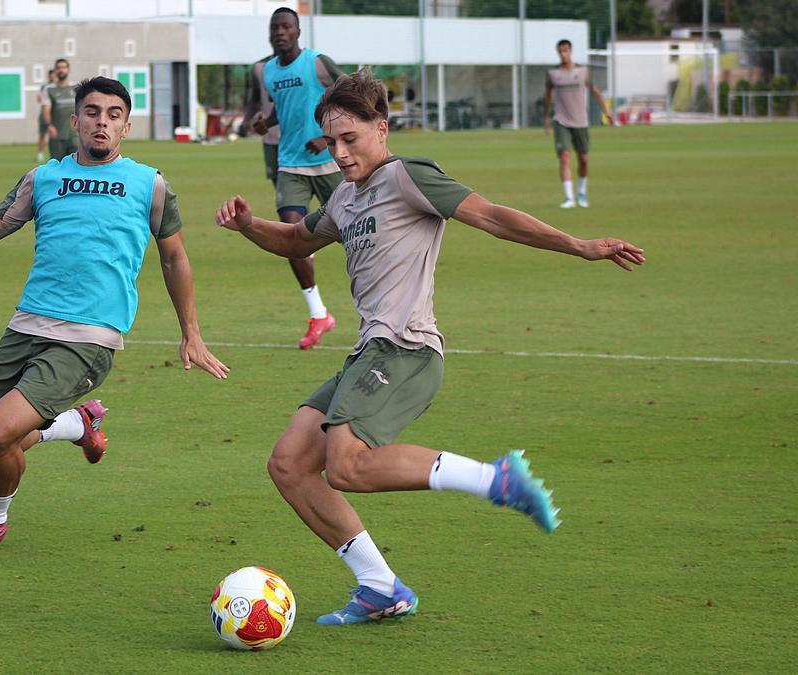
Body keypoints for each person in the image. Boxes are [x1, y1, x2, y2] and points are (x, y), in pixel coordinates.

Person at [216, 70, 644, 625]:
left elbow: (492, 216)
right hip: (369, 352)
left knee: (346, 467)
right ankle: (379, 586)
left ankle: (497, 480)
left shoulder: (406, 177)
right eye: (331, 142)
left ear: (381, 129)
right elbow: (297, 240)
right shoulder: (346, 197)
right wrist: (248, 225)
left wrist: (579, 244)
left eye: (351, 139)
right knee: (289, 464)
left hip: (406, 349)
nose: (340, 154)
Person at [0, 77, 229, 556]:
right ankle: (77, 424)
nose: (103, 121)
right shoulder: (43, 179)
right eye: (93, 112)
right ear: (74, 121)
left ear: (126, 127)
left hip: (89, 338)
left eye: (114, 114)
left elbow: (174, 258)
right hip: (27, 326)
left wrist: (191, 334)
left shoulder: (150, 185)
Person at [254, 7, 346, 350]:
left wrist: (328, 137)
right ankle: (319, 314)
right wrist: (268, 122)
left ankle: (379, 309)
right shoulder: (270, 72)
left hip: (331, 163)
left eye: (286, 26)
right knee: (291, 237)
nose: (279, 32)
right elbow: (284, 104)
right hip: (291, 164)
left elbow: (349, 96)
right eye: (274, 27)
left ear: (297, 31)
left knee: (356, 235)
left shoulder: (318, 63)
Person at [544, 39, 614, 209]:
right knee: (565, 157)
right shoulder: (553, 74)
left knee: (583, 159)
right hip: (561, 120)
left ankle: (581, 193)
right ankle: (569, 197)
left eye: (566, 50)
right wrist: (546, 117)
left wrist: (606, 111)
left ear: (571, 51)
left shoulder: (583, 71)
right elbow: (548, 96)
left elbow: (595, 91)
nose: (563, 53)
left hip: (581, 121)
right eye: (560, 51)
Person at [239, 52, 281, 187]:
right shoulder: (260, 67)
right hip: (271, 137)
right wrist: (246, 121)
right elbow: (255, 99)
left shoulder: (307, 64)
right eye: (275, 29)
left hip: (300, 137)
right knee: (281, 189)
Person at [42, 58, 79, 161]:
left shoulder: (76, 88)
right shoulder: (49, 89)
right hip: (57, 136)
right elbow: (46, 110)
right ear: (55, 70)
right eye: (58, 68)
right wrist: (49, 126)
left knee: (76, 164)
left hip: (74, 135)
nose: (61, 70)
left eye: (64, 67)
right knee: (57, 166)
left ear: (68, 69)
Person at [35, 79, 51, 163]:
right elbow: (38, 99)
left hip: (55, 116)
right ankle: (40, 154)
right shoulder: (44, 87)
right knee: (42, 135)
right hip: (44, 114)